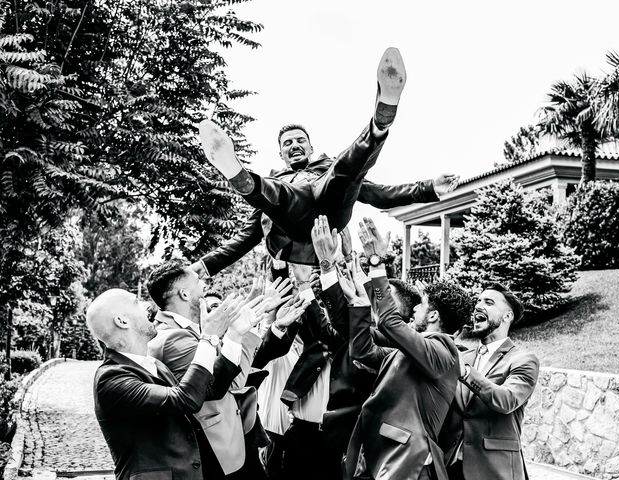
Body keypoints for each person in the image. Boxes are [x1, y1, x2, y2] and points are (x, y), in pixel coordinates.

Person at [192, 47, 459, 275]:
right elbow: (245, 238)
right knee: (277, 193)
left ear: (310, 146)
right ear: (281, 154)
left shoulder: (325, 167)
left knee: (345, 168)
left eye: (300, 141)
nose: (294, 145)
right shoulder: (277, 180)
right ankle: (237, 173)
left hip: (330, 216)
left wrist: (429, 187)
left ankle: (382, 118)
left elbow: (380, 194)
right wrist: (203, 267)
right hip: (296, 229)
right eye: (287, 143)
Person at [146, 260, 308, 480]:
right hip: (218, 451)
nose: (205, 285)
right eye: (199, 281)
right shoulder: (172, 337)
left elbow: (237, 364)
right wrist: (239, 331)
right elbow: (224, 384)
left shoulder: (195, 328)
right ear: (184, 294)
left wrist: (258, 321)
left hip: (236, 437)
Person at [342, 217, 470, 480]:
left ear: (433, 316)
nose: (414, 309)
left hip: (409, 464)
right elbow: (363, 349)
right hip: (384, 456)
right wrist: (358, 302)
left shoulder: (443, 352)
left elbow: (390, 322)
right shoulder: (417, 352)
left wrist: (378, 263)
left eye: (421, 304)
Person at [88, 288, 231, 480]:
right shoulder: (111, 379)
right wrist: (209, 338)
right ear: (122, 321)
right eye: (136, 302)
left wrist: (236, 336)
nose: (147, 306)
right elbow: (185, 399)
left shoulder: (156, 365)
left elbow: (207, 390)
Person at [438, 283, 540, 480]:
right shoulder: (463, 357)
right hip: (449, 467)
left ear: (507, 316)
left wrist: (466, 373)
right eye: (478, 300)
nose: (478, 305)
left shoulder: (524, 359)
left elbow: (506, 400)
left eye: (489, 302)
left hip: (494, 470)